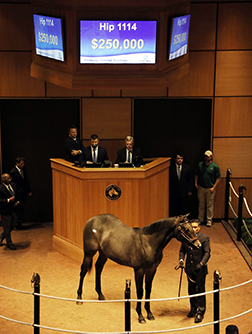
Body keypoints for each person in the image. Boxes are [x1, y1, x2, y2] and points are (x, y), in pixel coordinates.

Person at [179, 219, 211, 323]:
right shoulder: (187, 237)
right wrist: (181, 260)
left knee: (200, 290)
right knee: (191, 289)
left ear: (199, 228)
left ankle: (200, 312)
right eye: (192, 227)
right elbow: (182, 250)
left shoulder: (204, 238)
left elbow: (207, 253)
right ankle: (193, 308)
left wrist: (201, 264)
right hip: (189, 268)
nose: (194, 229)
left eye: (196, 227)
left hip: (200, 269)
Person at [195, 150, 221, 227]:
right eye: (205, 156)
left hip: (210, 188)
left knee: (209, 206)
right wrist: (196, 184)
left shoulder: (215, 166)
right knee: (201, 205)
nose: (207, 157)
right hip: (201, 188)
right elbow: (197, 175)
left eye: (208, 156)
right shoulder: (200, 165)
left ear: (211, 157)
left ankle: (209, 220)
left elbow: (218, 178)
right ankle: (200, 219)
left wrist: (214, 187)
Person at [9, 157, 32, 229]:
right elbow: (11, 184)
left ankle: (19, 223)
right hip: (16, 193)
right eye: (21, 163)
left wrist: (28, 190)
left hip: (23, 192)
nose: (23, 165)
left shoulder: (23, 171)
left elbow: (25, 181)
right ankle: (15, 224)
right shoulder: (12, 172)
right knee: (16, 209)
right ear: (17, 163)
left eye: (23, 163)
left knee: (22, 208)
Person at [0, 173, 20, 250]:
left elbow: (17, 195)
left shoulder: (13, 185)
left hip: (13, 209)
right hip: (5, 210)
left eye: (10, 178)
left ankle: (1, 236)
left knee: (14, 224)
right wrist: (8, 200)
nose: (10, 180)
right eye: (8, 179)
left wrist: (17, 202)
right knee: (7, 227)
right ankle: (9, 243)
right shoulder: (0, 188)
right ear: (3, 180)